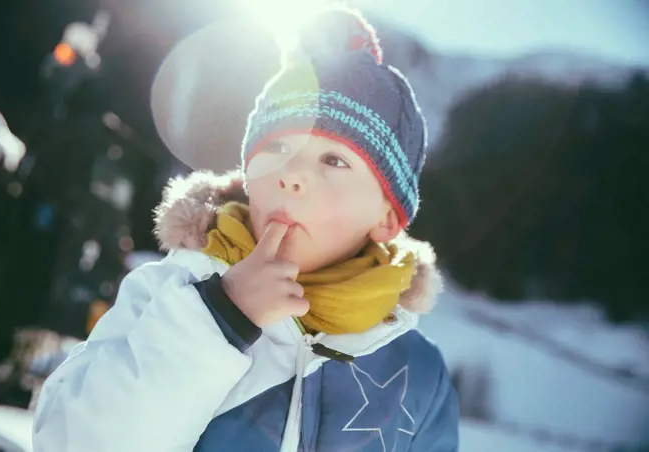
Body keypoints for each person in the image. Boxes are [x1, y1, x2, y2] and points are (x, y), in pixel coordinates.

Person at [32, 6, 459, 451]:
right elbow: (72, 440)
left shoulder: (416, 373)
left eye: (335, 160)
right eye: (278, 145)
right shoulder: (170, 292)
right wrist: (220, 316)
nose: (291, 173)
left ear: (386, 218)